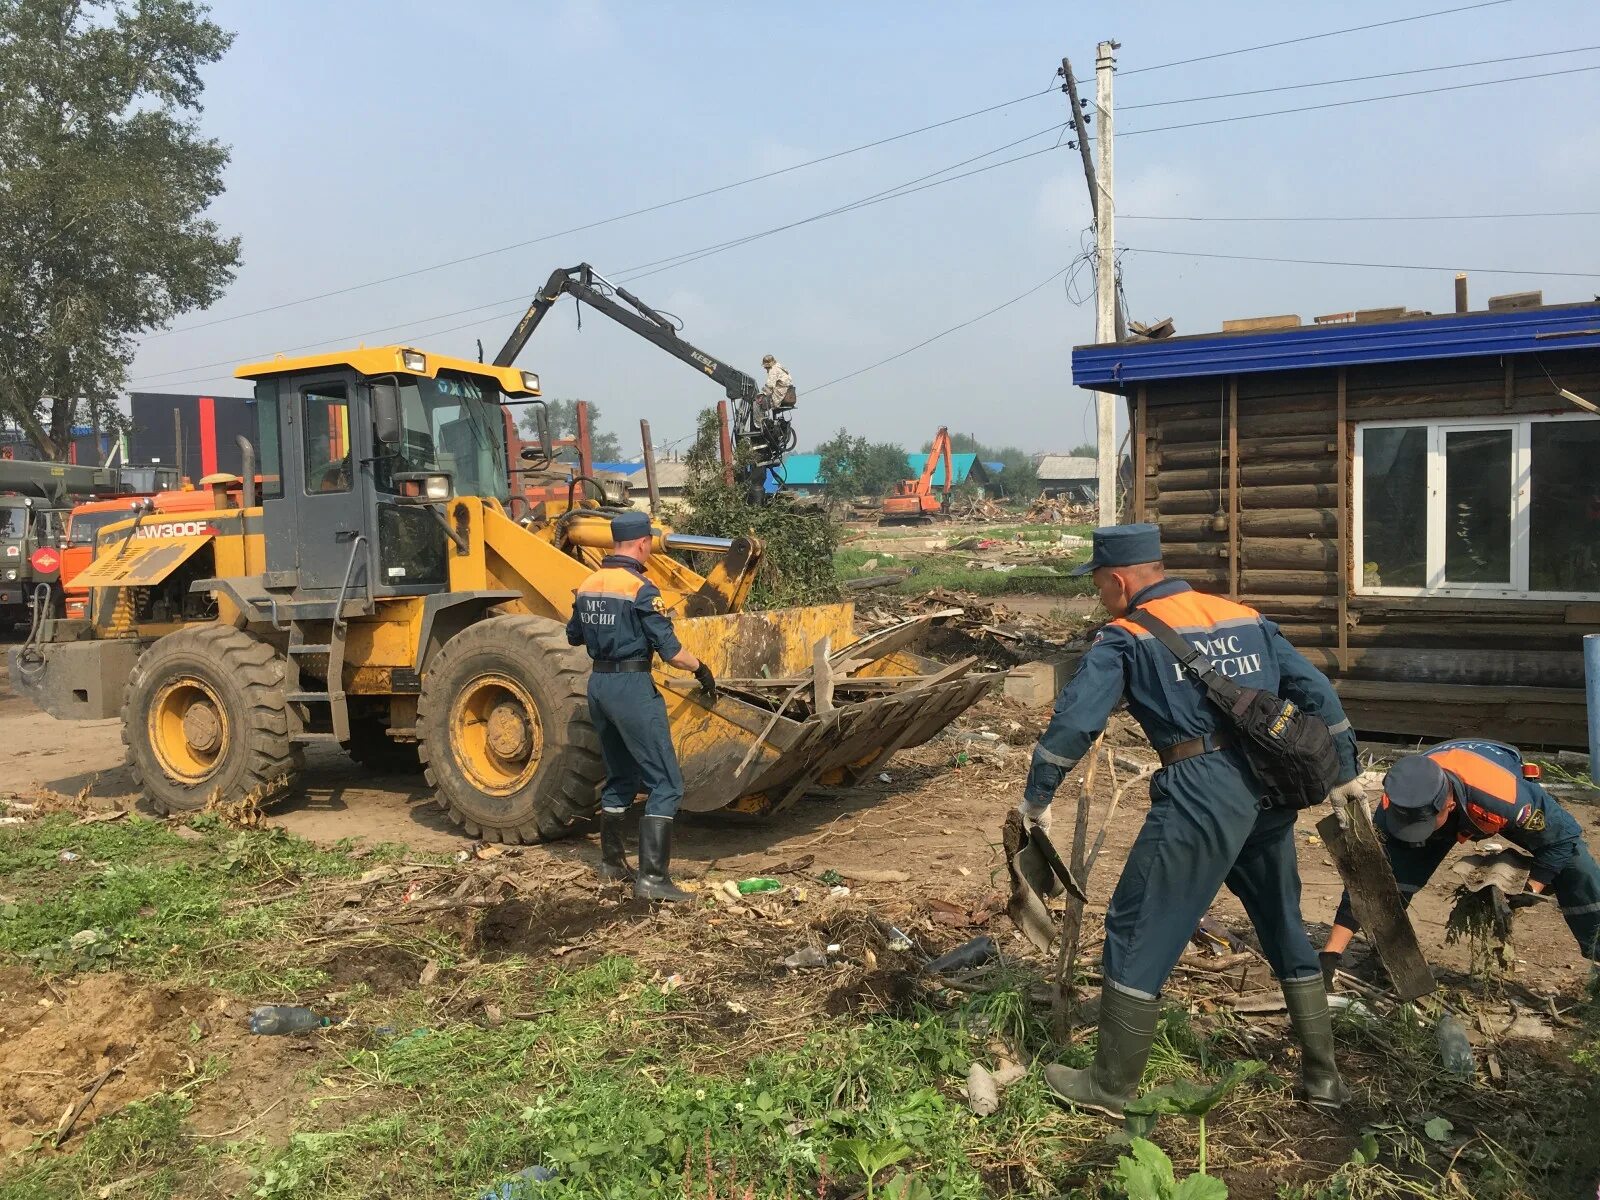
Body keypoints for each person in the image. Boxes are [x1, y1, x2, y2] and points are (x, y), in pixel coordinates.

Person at [1018, 523, 1366, 1116]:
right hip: (1270, 783)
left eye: (1099, 586)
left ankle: (1111, 1086)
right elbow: (1317, 693)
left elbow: (1076, 722)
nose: (1101, 597)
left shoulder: (1126, 635)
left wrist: (1037, 797)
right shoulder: (1243, 616)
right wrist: (1346, 775)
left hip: (1202, 789)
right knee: (1283, 923)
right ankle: (1323, 1079)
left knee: (1137, 922)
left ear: (1119, 580)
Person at [1320, 739, 1600, 983]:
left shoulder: (1503, 796)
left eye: (1424, 825)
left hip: (1487, 777)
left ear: (1449, 806)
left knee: (1577, 866)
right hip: (1439, 775)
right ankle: (1386, 954)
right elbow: (1367, 882)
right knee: (1393, 874)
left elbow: (1563, 838)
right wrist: (1331, 954)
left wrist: (1531, 889)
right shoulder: (1396, 804)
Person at [565, 510, 717, 902]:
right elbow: (672, 653)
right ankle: (653, 880)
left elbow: (573, 636)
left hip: (599, 685)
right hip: (631, 687)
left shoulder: (587, 584)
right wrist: (702, 669)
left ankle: (612, 865)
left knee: (620, 777)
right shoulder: (641, 589)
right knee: (666, 783)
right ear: (644, 543)